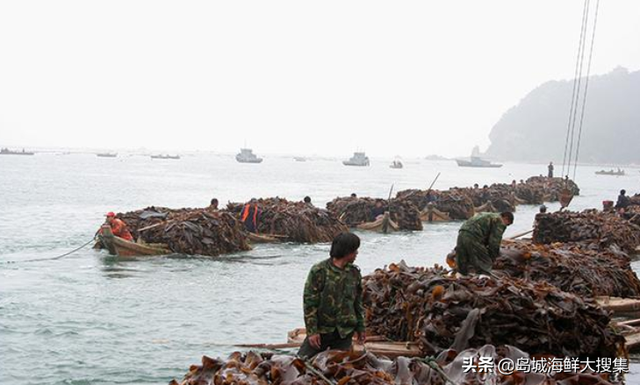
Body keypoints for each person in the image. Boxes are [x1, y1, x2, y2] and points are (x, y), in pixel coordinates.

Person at [298, 232, 365, 359]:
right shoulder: (319, 271)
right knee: (300, 362)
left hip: (344, 333)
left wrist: (361, 327)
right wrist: (312, 332)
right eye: (355, 250)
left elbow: (357, 302)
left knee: (341, 369)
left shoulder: (354, 273)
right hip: (322, 331)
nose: (357, 253)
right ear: (347, 251)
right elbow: (310, 303)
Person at [454, 211, 514, 276]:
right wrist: (492, 258)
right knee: (485, 262)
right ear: (506, 218)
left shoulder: (487, 215)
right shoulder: (499, 220)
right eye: (507, 224)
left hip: (462, 232)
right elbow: (494, 242)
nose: (505, 226)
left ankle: (460, 276)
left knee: (462, 259)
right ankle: (483, 278)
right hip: (474, 235)